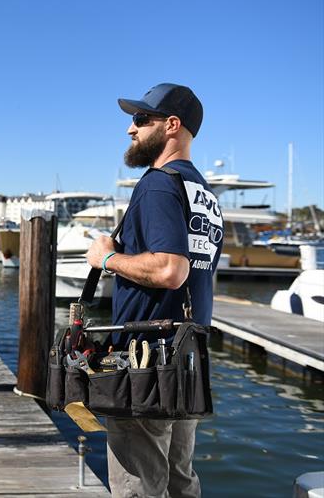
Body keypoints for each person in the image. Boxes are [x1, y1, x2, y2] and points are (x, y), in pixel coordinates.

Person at [86, 83, 223, 498]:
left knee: (139, 485)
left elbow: (170, 269)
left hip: (146, 360)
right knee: (180, 479)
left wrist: (105, 259)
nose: (131, 129)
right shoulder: (204, 194)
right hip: (188, 358)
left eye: (141, 119)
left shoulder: (158, 184)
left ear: (171, 125)